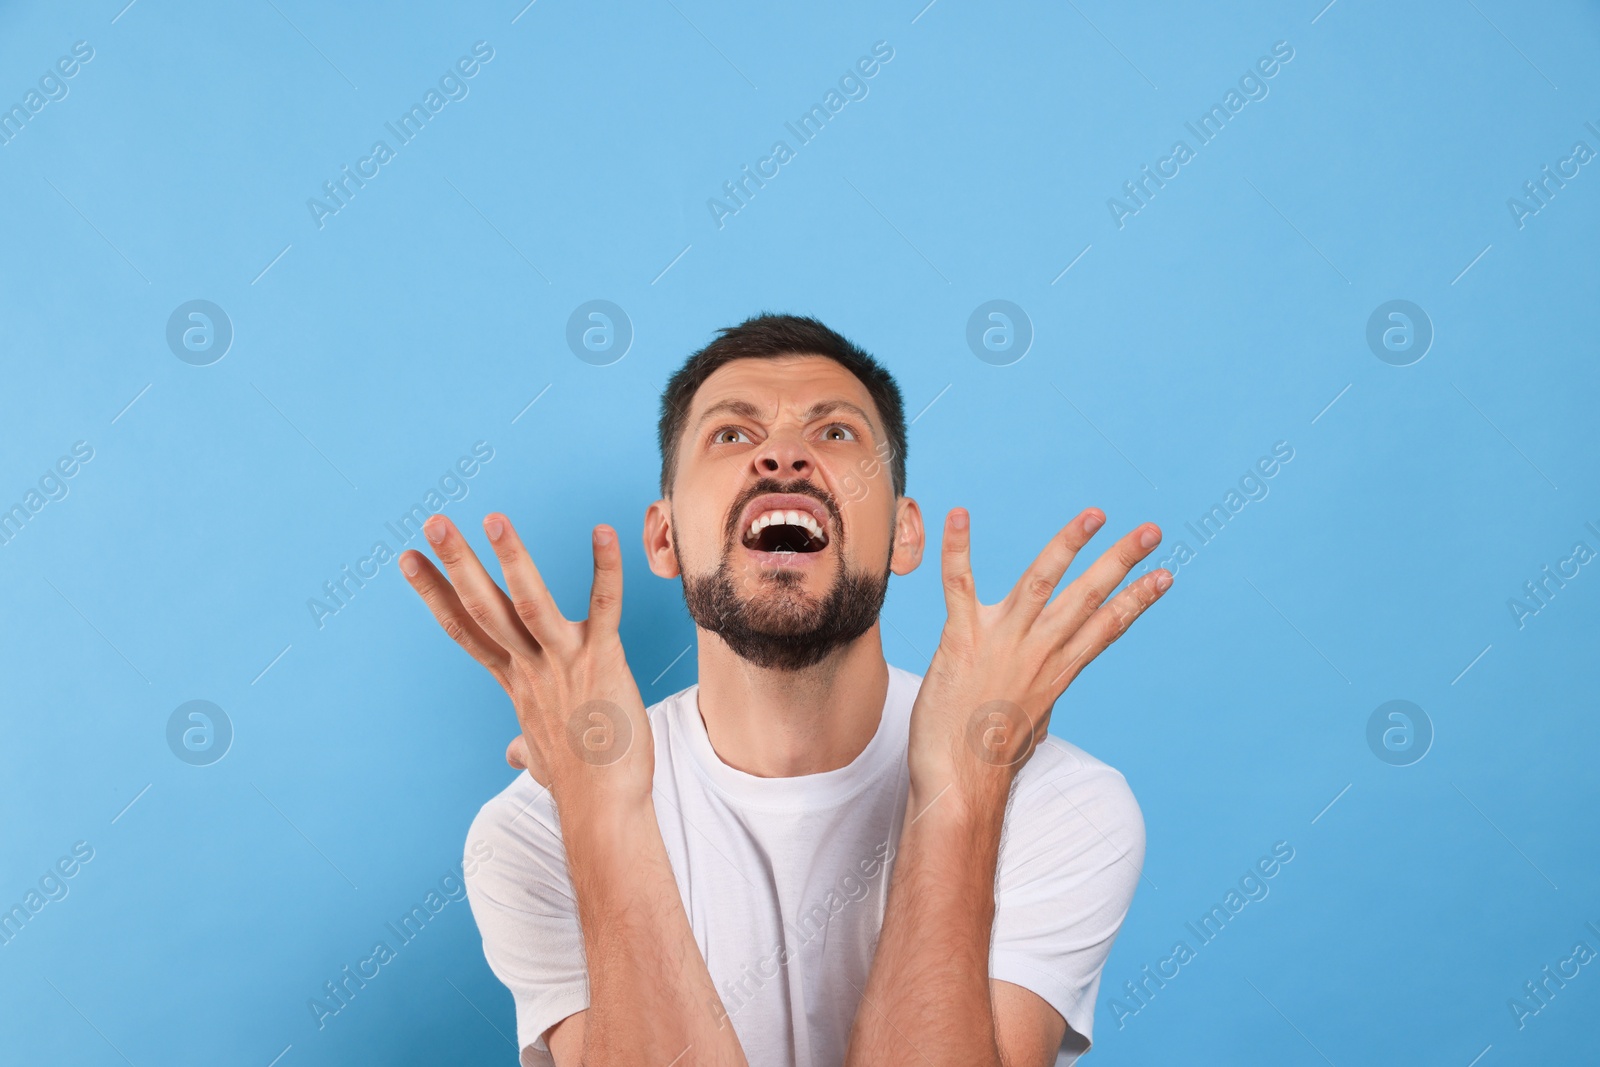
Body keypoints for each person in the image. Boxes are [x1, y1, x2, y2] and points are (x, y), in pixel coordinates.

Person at [399, 313, 1171, 1066]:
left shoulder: (1061, 802)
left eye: (835, 432)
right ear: (663, 535)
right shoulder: (536, 829)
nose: (783, 457)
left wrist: (963, 788)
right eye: (732, 434)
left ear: (905, 533)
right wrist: (602, 818)